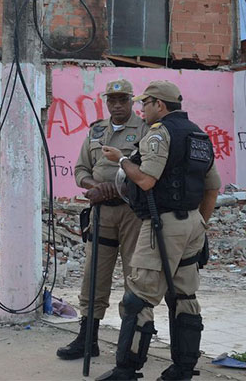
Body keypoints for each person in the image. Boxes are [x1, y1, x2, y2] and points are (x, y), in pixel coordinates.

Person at [98, 80, 220, 381]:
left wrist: (122, 159)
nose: (142, 109)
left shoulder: (159, 133)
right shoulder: (199, 135)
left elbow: (146, 180)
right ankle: (182, 369)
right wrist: (200, 225)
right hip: (192, 223)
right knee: (185, 297)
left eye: (146, 103)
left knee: (138, 297)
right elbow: (212, 188)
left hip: (163, 223)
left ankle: (127, 369)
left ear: (160, 105)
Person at [57, 79, 149, 360]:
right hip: (101, 211)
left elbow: (149, 171)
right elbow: (81, 169)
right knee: (93, 275)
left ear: (132, 102)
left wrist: (121, 185)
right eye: (112, 100)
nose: (117, 105)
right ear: (107, 102)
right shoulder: (97, 130)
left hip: (132, 211)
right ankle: (87, 339)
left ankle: (130, 345)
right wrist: (92, 187)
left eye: (123, 100)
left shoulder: (145, 130)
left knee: (136, 275)